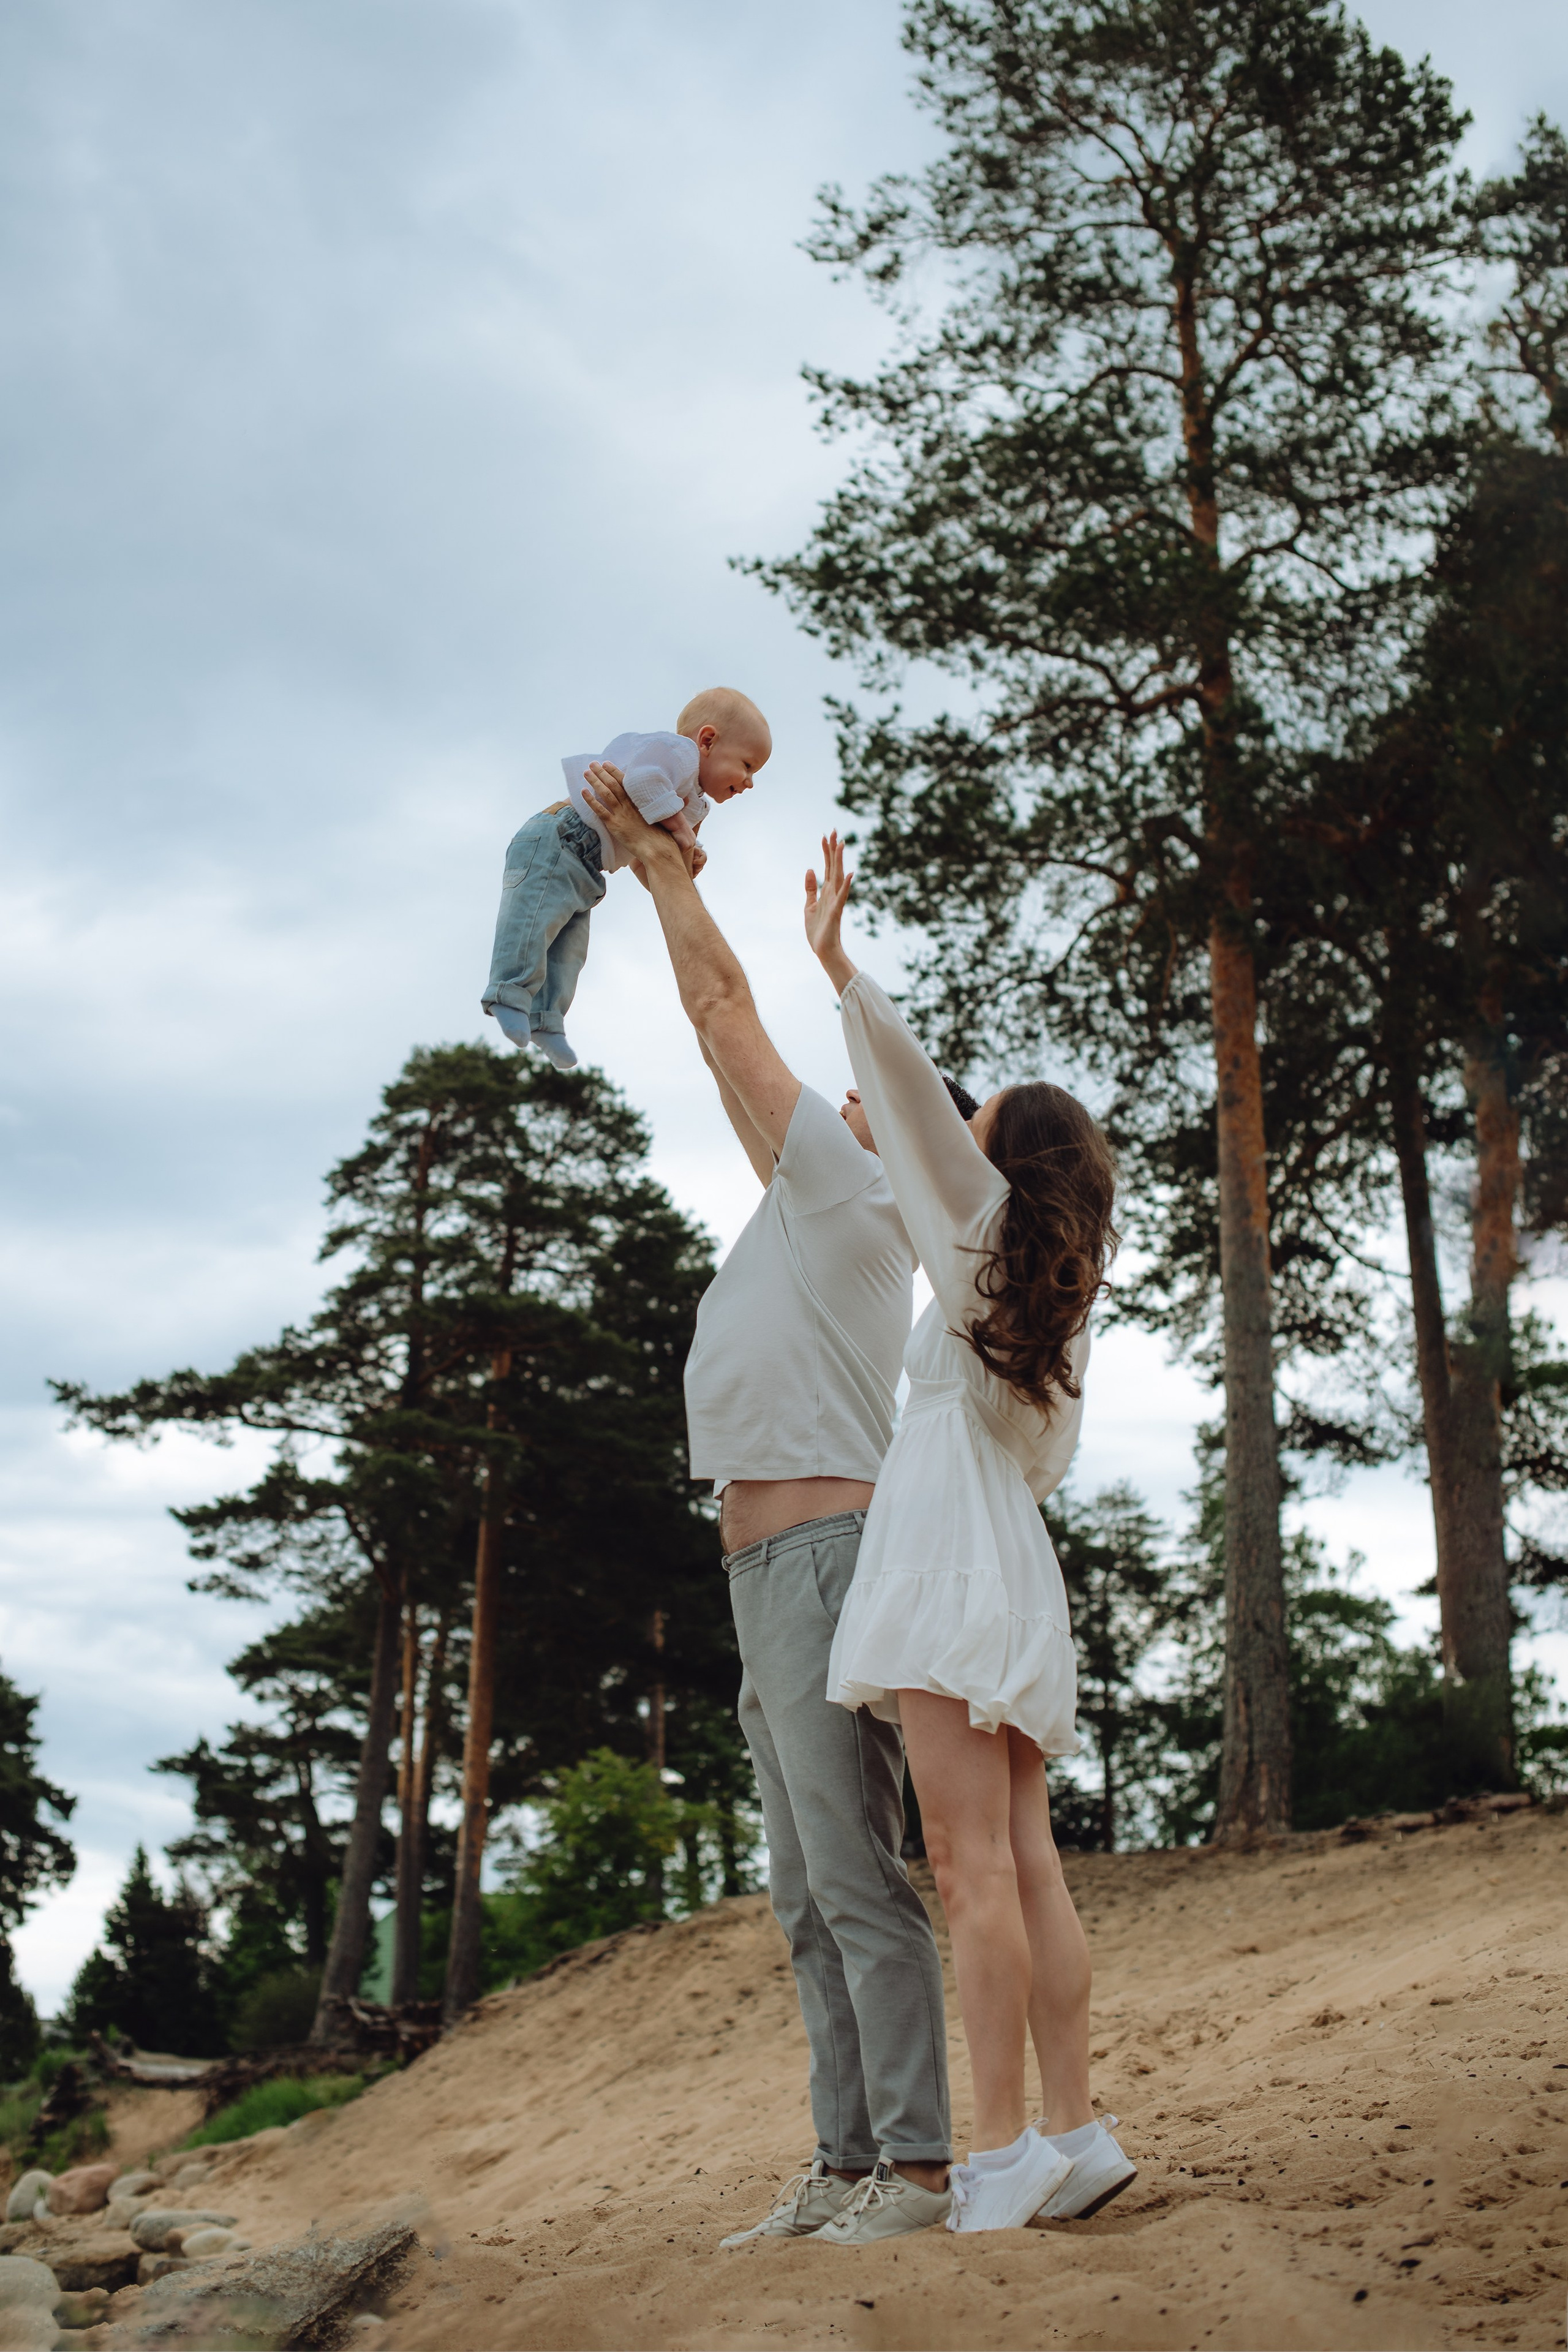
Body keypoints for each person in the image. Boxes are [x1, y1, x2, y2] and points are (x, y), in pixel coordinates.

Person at [581, 761, 956, 2247]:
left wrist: (666, 866)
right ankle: (845, 2157)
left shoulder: (852, 1203)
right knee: (805, 1896)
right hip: (766, 1576)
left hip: (815, 1560)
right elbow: (726, 1054)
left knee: (856, 1881)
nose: (848, 1096)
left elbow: (723, 1020)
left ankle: (914, 2170)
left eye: (880, 1101)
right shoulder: (807, 1203)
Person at [805, 828, 1138, 2236]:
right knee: (1022, 1858)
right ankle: (1073, 2126)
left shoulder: (983, 1232)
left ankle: (996, 2152)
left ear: (999, 1153)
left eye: (979, 1116)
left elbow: (919, 1129)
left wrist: (836, 967)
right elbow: (917, 1145)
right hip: (1004, 1558)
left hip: (945, 1547)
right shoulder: (1044, 1279)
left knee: (964, 1866)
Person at [481, 687, 770, 1069]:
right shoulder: (678, 754)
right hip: (560, 837)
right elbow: (642, 782)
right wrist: (682, 830)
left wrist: (684, 862)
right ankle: (507, 994)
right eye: (747, 765)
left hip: (589, 866)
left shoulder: (696, 804)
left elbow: (646, 866)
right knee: (531, 919)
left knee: (569, 950)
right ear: (708, 740)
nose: (749, 782)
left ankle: (547, 1021)